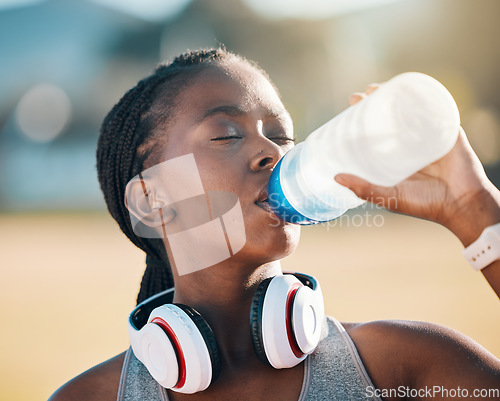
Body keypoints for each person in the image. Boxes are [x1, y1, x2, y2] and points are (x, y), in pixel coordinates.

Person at [49, 48, 500, 401]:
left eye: (281, 134)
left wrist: (474, 208)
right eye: (226, 134)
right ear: (151, 200)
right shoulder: (88, 397)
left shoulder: (406, 366)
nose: (272, 151)